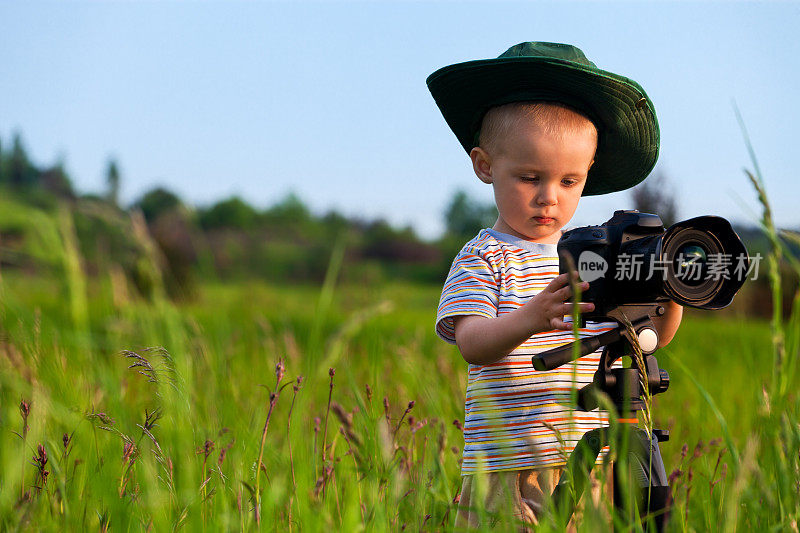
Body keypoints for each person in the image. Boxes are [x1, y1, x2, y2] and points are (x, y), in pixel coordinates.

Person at [428, 42, 684, 530]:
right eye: (529, 177)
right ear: (485, 166)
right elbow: (471, 342)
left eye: (570, 182)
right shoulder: (486, 256)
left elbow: (649, 338)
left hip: (591, 458)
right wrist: (530, 317)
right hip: (510, 465)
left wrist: (668, 292)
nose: (549, 198)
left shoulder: (595, 256)